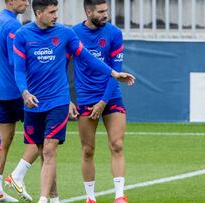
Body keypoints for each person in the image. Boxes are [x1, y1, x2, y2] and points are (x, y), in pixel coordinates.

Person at [13, 1, 135, 203]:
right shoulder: (24, 35)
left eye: (57, 11)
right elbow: (22, 69)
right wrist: (24, 93)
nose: (56, 16)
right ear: (39, 13)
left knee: (54, 148)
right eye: (52, 12)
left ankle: (118, 195)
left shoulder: (68, 33)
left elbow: (87, 57)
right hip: (47, 100)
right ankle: (62, 197)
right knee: (59, 149)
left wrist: (113, 74)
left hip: (79, 99)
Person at [70, 0, 130, 202]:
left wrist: (104, 101)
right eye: (101, 11)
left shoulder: (114, 33)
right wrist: (67, 100)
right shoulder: (74, 33)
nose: (106, 14)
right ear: (88, 11)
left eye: (107, 10)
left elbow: (117, 71)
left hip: (111, 96)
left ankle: (120, 196)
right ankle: (90, 197)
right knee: (88, 150)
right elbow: (61, 65)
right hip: (86, 97)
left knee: (117, 144)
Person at [0, 1, 39, 202]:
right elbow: (15, 60)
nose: (27, 3)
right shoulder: (13, 26)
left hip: (0, 92)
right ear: (9, 1)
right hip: (19, 92)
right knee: (44, 137)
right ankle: (18, 176)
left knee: (3, 142)